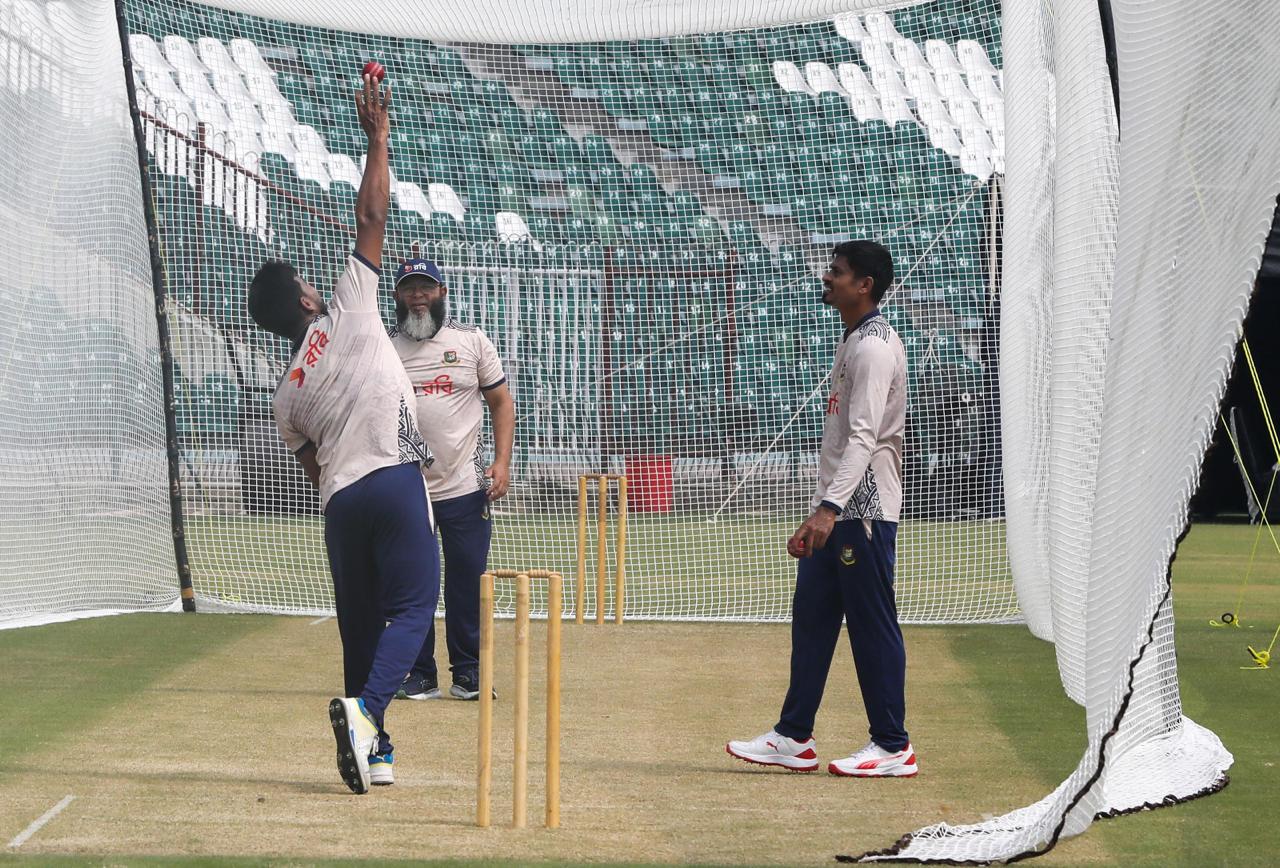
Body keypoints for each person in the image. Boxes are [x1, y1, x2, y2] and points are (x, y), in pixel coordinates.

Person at [247, 73, 438, 794]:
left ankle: (376, 752)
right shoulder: (350, 305)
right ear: (304, 297)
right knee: (416, 610)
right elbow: (371, 216)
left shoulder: (282, 395)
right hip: (391, 478)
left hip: (338, 502)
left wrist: (339, 486)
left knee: (360, 631)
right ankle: (365, 716)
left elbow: (309, 466)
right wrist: (379, 137)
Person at [726, 240, 915, 777]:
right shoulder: (853, 338)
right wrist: (820, 509)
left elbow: (863, 437)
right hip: (835, 509)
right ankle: (793, 737)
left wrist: (828, 509)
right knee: (811, 619)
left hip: (862, 511)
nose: (826, 278)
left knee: (872, 625)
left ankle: (892, 745)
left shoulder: (875, 347)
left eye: (838, 272)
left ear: (865, 286)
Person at [388, 259, 515, 700]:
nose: (417, 296)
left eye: (425, 287)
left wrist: (502, 461)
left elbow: (501, 402)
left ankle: (469, 673)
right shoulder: (384, 348)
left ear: (442, 292)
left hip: (463, 487)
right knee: (412, 588)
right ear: (398, 296)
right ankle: (418, 673)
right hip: (405, 490)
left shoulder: (471, 340)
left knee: (466, 584)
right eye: (409, 289)